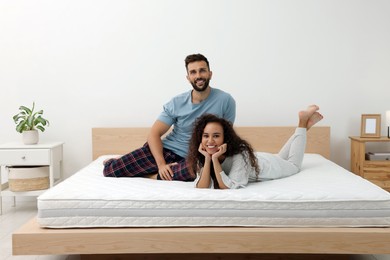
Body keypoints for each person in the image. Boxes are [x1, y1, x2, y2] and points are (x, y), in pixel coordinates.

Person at [103, 53, 236, 181]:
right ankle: (120, 161)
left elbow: (226, 136)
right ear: (188, 77)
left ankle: (151, 175)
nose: (198, 75)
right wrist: (161, 164)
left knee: (199, 172)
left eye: (202, 71)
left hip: (197, 157)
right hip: (168, 150)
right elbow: (154, 134)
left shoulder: (226, 100)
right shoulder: (176, 102)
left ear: (210, 74)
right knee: (110, 171)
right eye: (193, 72)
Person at [187, 105, 323, 189]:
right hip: (263, 159)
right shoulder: (204, 155)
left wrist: (215, 160)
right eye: (206, 136)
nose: (210, 141)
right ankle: (303, 128)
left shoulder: (239, 155)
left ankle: (302, 122)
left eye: (216, 136)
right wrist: (208, 159)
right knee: (282, 158)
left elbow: (227, 186)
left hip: (270, 167)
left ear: (225, 138)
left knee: (294, 166)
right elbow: (202, 186)